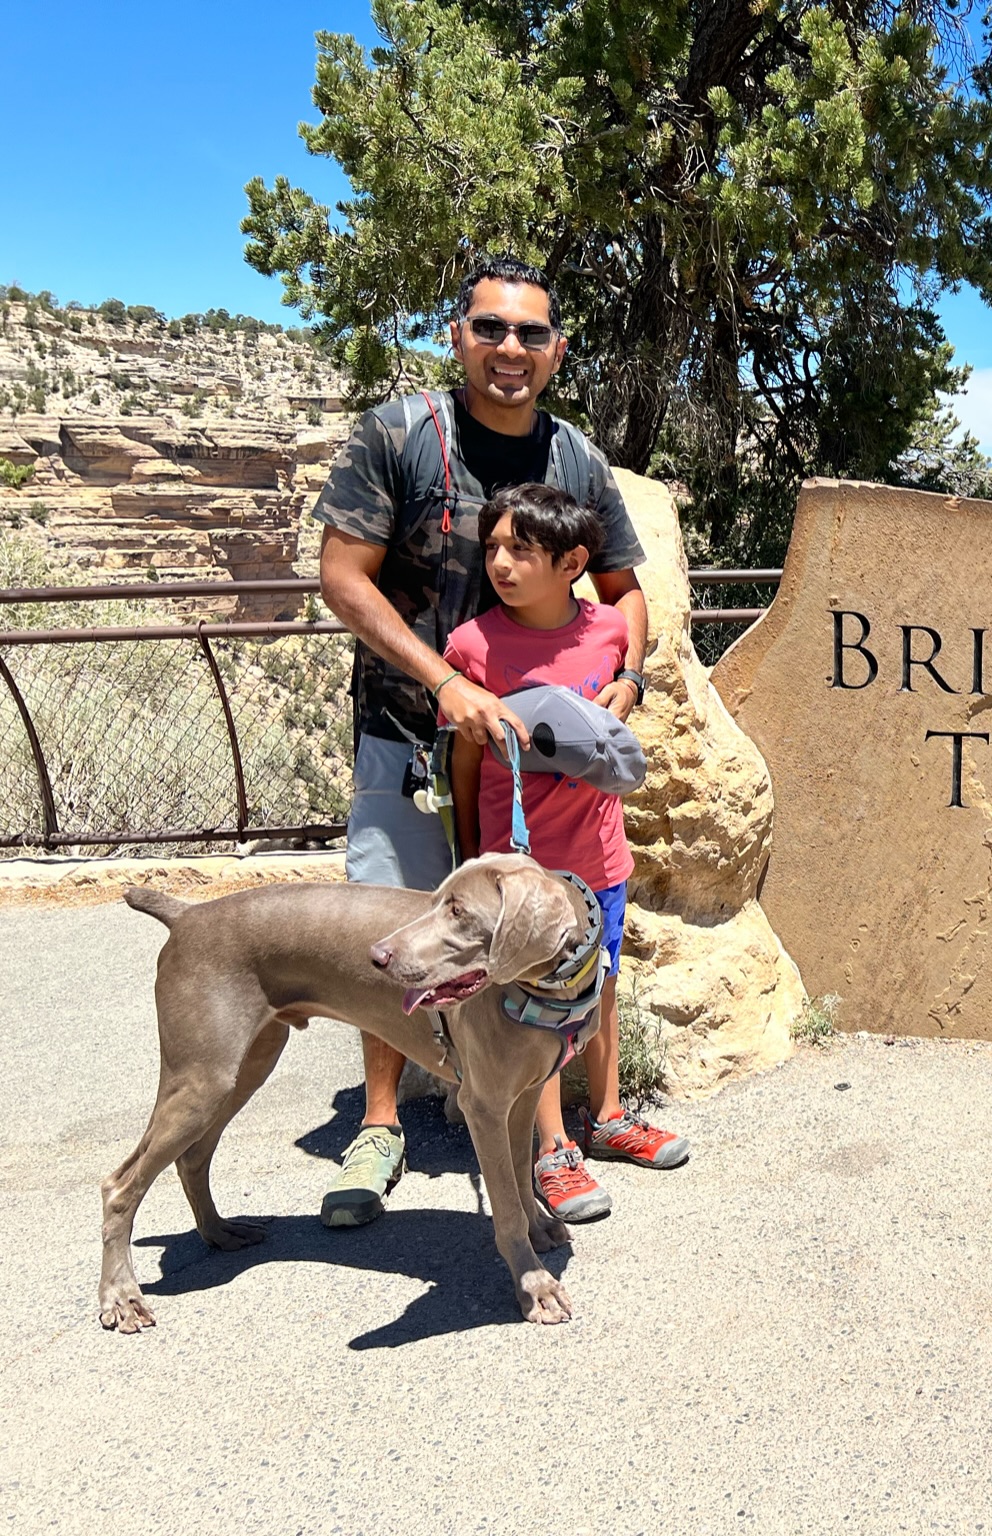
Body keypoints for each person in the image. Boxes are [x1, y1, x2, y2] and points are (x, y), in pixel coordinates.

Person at [313, 254, 650, 1228]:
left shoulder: (574, 459)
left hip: (540, 772)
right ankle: (381, 1123)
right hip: (406, 736)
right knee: (399, 924)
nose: (510, 348)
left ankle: (554, 1128)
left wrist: (626, 680)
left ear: (557, 350)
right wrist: (447, 681)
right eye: (491, 328)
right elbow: (343, 575)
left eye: (531, 333)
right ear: (457, 334)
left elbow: (627, 591)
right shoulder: (400, 435)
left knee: (548, 943)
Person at [444, 483, 689, 1222]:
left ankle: (608, 1118)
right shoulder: (472, 647)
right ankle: (550, 1148)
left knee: (601, 983)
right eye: (492, 548)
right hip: (523, 873)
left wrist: (628, 685)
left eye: (521, 549)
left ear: (573, 560)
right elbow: (463, 759)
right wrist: (469, 851)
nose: (501, 563)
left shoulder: (608, 632)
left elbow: (619, 688)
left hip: (600, 856)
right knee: (536, 1006)